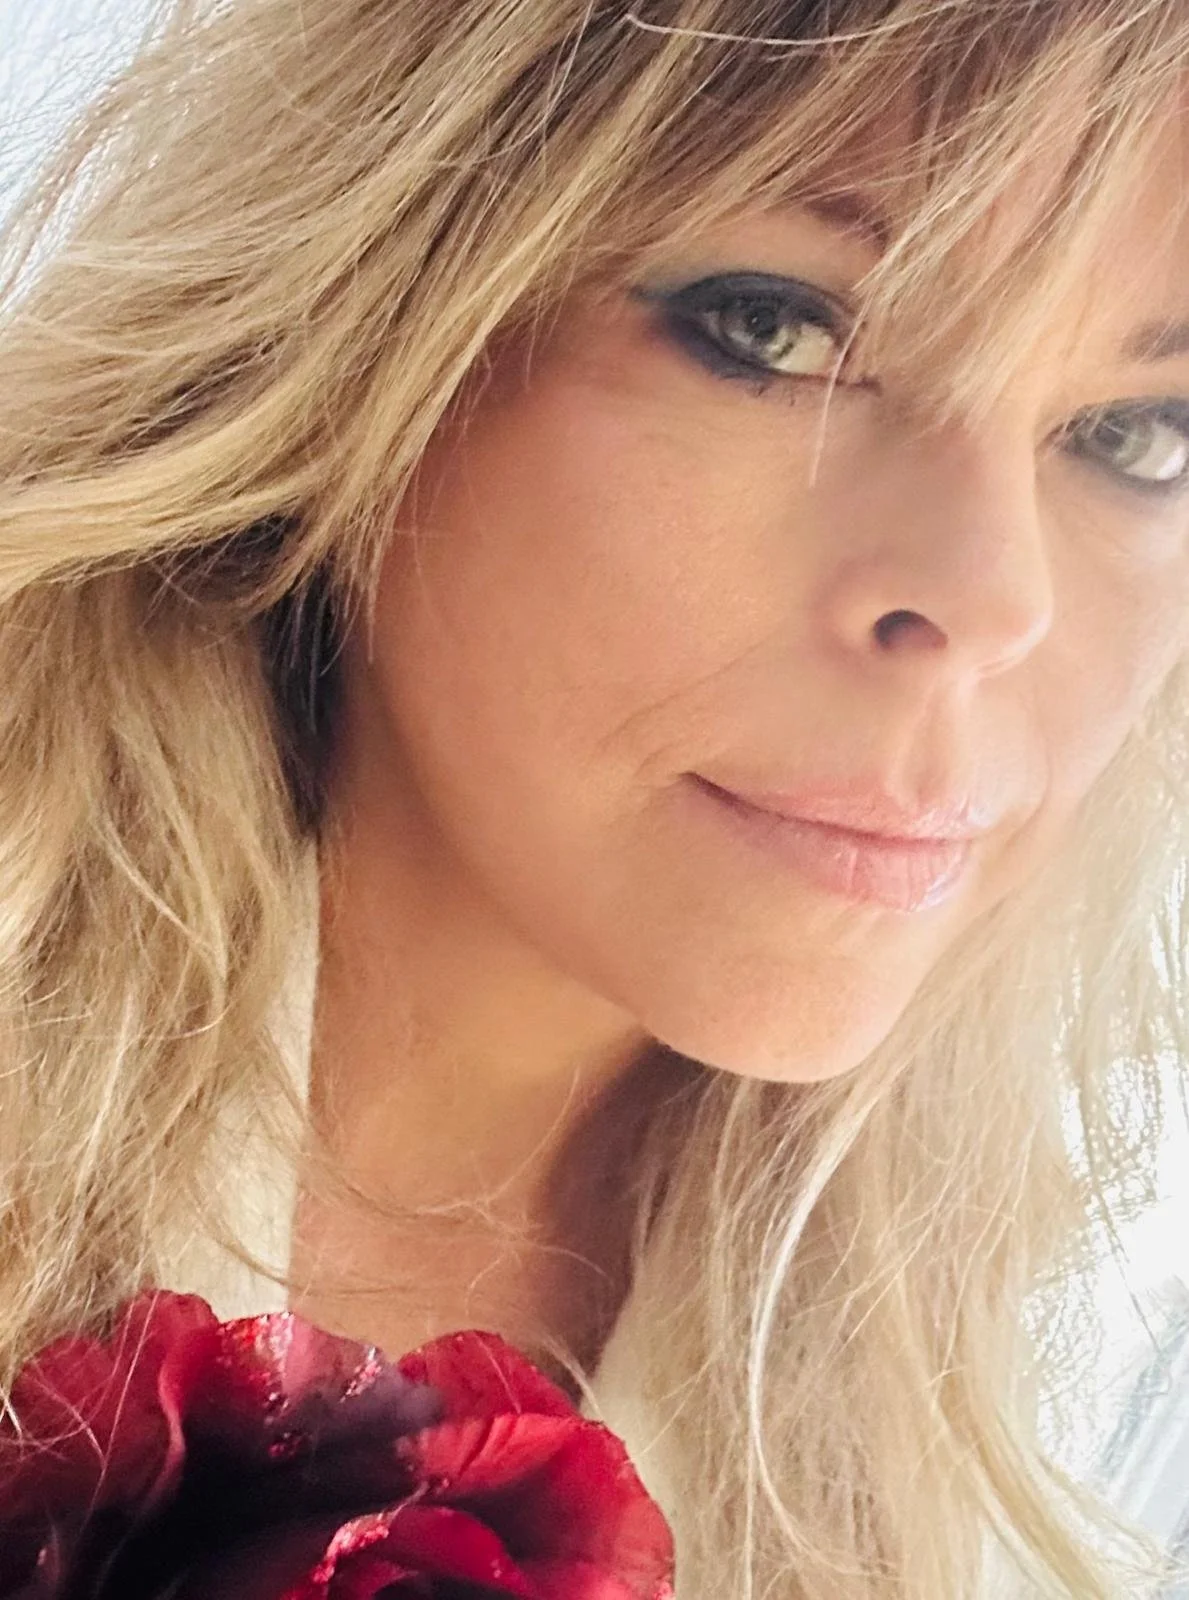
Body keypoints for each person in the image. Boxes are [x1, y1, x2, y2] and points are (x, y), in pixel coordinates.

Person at [1, 0, 1188, 1593]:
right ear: (377, 301)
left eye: (1134, 432)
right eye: (774, 329)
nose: (993, 599)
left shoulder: (1049, 1373)